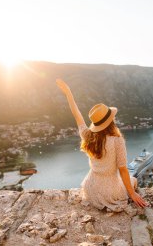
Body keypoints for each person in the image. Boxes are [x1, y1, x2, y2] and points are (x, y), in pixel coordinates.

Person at [56, 79, 147, 211]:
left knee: (129, 180)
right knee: (133, 181)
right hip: (110, 192)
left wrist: (69, 94)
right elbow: (123, 169)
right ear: (111, 120)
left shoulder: (88, 135)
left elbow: (77, 115)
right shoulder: (117, 140)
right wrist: (132, 193)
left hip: (90, 188)